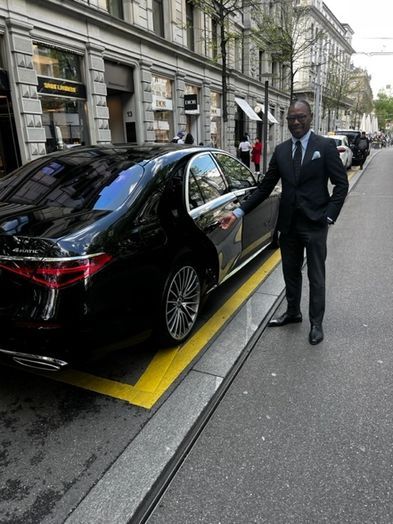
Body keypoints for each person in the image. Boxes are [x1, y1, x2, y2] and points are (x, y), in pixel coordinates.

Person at [220, 99, 348, 345]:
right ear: (287, 121)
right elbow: (264, 188)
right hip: (288, 225)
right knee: (290, 273)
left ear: (310, 118)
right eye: (291, 118)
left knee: (316, 276)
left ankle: (316, 323)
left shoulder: (325, 146)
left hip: (314, 224)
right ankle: (292, 312)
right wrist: (237, 212)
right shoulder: (280, 151)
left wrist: (329, 215)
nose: (296, 122)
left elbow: (341, 185)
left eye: (301, 117)